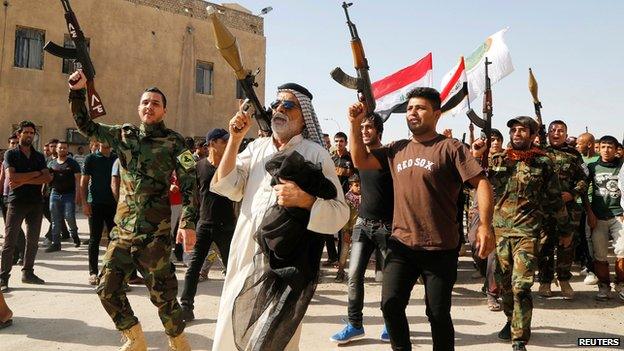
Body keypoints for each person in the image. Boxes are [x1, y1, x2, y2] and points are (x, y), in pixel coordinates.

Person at [350, 87, 495, 351]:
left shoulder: (451, 148)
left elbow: (481, 183)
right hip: (401, 245)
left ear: (436, 114)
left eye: (420, 108)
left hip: (440, 247)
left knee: (437, 314)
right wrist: (354, 124)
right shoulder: (396, 148)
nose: (412, 113)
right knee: (390, 305)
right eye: (409, 109)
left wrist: (485, 225)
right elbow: (361, 159)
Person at [210, 83, 349, 350]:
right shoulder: (257, 148)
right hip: (244, 254)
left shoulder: (316, 154)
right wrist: (235, 140)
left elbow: (339, 212)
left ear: (304, 116)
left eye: (288, 105)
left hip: (286, 262)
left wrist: (306, 200)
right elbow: (227, 185)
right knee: (230, 325)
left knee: (272, 339)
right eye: (276, 104)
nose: (279, 109)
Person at [68, 70, 197, 350]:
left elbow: (191, 186)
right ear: (139, 108)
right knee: (106, 288)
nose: (149, 106)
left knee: (164, 297)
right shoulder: (123, 135)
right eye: (145, 102)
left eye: (155, 103)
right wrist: (78, 92)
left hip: (156, 236)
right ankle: (134, 337)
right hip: (123, 232)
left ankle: (178, 342)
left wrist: (188, 223)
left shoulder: (175, 143)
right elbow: (87, 126)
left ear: (164, 110)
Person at [472, 116, 573, 351]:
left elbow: (555, 199)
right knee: (504, 285)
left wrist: (565, 229)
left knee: (521, 286)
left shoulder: (544, 163)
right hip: (500, 233)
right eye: (514, 130)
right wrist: (477, 155)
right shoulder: (498, 160)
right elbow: (474, 181)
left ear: (533, 135)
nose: (517, 133)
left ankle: (519, 339)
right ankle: (510, 319)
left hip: (528, 233)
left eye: (522, 130)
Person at [330, 113, 394, 344]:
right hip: (362, 225)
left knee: (388, 280)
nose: (365, 131)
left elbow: (357, 159)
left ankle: (390, 324)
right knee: (354, 275)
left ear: (379, 131)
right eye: (362, 127)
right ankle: (355, 324)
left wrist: (354, 122)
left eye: (369, 127)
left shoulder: (384, 155)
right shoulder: (361, 155)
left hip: (387, 228)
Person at [180, 128, 236, 322]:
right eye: (224, 141)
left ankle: (234, 309)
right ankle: (186, 307)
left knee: (233, 269)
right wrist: (186, 223)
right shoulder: (199, 167)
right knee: (194, 267)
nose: (228, 143)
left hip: (228, 226)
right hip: (204, 224)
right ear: (212, 143)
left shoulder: (232, 167)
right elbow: (192, 198)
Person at [537, 120, 588, 299]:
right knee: (545, 245)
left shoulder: (574, 155)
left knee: (567, 245)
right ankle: (545, 281)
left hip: (568, 208)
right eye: (553, 130)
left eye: (560, 131)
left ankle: (564, 280)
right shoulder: (540, 152)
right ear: (548, 134)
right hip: (545, 208)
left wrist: (573, 194)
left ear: (566, 134)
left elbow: (584, 179)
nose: (556, 133)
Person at [0, 121, 52, 292]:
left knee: (33, 241)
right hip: (16, 203)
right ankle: (3, 277)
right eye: (26, 132)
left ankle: (28, 273)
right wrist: (36, 174)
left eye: (32, 133)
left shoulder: (38, 156)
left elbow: (47, 178)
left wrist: (25, 178)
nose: (29, 135)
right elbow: (12, 179)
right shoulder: (11, 154)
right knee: (9, 241)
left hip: (36, 203)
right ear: (19, 134)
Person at [468, 129, 504, 312]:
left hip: (499, 213)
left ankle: (492, 292)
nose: (495, 143)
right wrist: (475, 154)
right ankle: (486, 278)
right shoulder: (477, 158)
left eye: (498, 140)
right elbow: (465, 175)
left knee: (492, 254)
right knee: (476, 248)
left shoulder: (507, 159)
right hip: (477, 212)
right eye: (492, 140)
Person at [586, 135, 624, 301]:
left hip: (618, 216)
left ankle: (621, 284)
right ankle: (604, 286)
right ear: (598, 148)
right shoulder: (592, 167)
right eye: (603, 147)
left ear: (616, 150)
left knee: (622, 252)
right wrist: (590, 213)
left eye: (610, 147)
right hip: (598, 217)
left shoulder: (622, 166)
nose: (606, 150)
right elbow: (582, 190)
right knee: (600, 255)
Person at [81, 142, 117, 285]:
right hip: (95, 204)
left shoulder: (116, 158)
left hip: (114, 204)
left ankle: (110, 271)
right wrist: (84, 203)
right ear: (98, 142)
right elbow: (84, 182)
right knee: (94, 239)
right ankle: (93, 272)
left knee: (114, 240)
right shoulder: (91, 158)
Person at [45, 140, 82, 252]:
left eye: (64, 148)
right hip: (55, 194)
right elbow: (47, 179)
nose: (62, 150)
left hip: (69, 194)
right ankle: (56, 243)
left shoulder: (72, 163)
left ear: (67, 150)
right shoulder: (51, 163)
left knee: (69, 216)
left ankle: (74, 235)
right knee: (55, 219)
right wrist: (45, 188)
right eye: (60, 148)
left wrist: (78, 195)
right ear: (56, 149)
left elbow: (78, 180)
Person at [575, 132, 600, 285]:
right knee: (583, 238)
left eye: (580, 143)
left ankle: (593, 270)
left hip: (594, 204)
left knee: (591, 238)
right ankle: (588, 265)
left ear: (589, 144)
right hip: (580, 204)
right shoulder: (579, 159)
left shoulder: (598, 161)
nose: (577, 146)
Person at [0, 134, 26, 265]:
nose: (14, 145)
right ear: (8, 144)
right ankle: (15, 255)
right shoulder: (6, 159)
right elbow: (2, 178)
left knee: (16, 228)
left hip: (17, 197)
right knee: (9, 228)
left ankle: (22, 254)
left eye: (16, 142)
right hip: (5, 196)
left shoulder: (22, 159)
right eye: (12, 143)